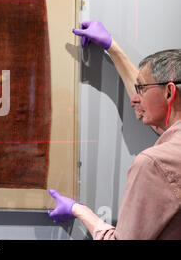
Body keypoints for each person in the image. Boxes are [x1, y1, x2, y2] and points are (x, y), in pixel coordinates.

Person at [48, 21, 181, 239]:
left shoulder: (153, 164)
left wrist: (79, 210)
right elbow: (152, 106)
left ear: (169, 92)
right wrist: (113, 48)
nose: (134, 99)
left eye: (142, 88)